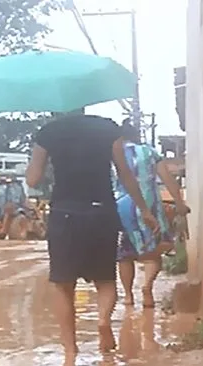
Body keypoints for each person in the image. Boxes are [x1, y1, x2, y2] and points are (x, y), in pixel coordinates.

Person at [25, 112, 159, 353]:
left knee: (63, 284)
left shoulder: (49, 132)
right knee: (105, 279)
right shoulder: (107, 127)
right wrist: (144, 210)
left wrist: (46, 163)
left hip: (64, 213)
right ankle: (103, 321)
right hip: (103, 211)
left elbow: (33, 180)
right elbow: (125, 174)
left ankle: (70, 349)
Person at [114, 121, 190, 308]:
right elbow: (168, 179)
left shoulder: (113, 153)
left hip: (123, 207)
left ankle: (128, 296)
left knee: (125, 254)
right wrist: (179, 204)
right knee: (154, 252)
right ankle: (147, 287)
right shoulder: (149, 152)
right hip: (150, 206)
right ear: (136, 136)